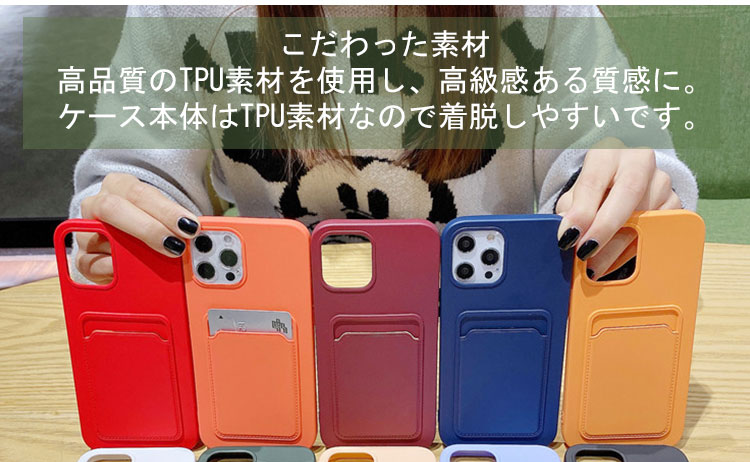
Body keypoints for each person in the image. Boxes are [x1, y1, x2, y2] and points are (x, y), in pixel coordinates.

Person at [70, 5, 696, 284]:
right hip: (270, 342)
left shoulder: (543, 11)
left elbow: (620, 150)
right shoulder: (182, 11)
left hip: (489, 334)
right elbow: (132, 177)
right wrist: (123, 216)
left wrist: (622, 194)